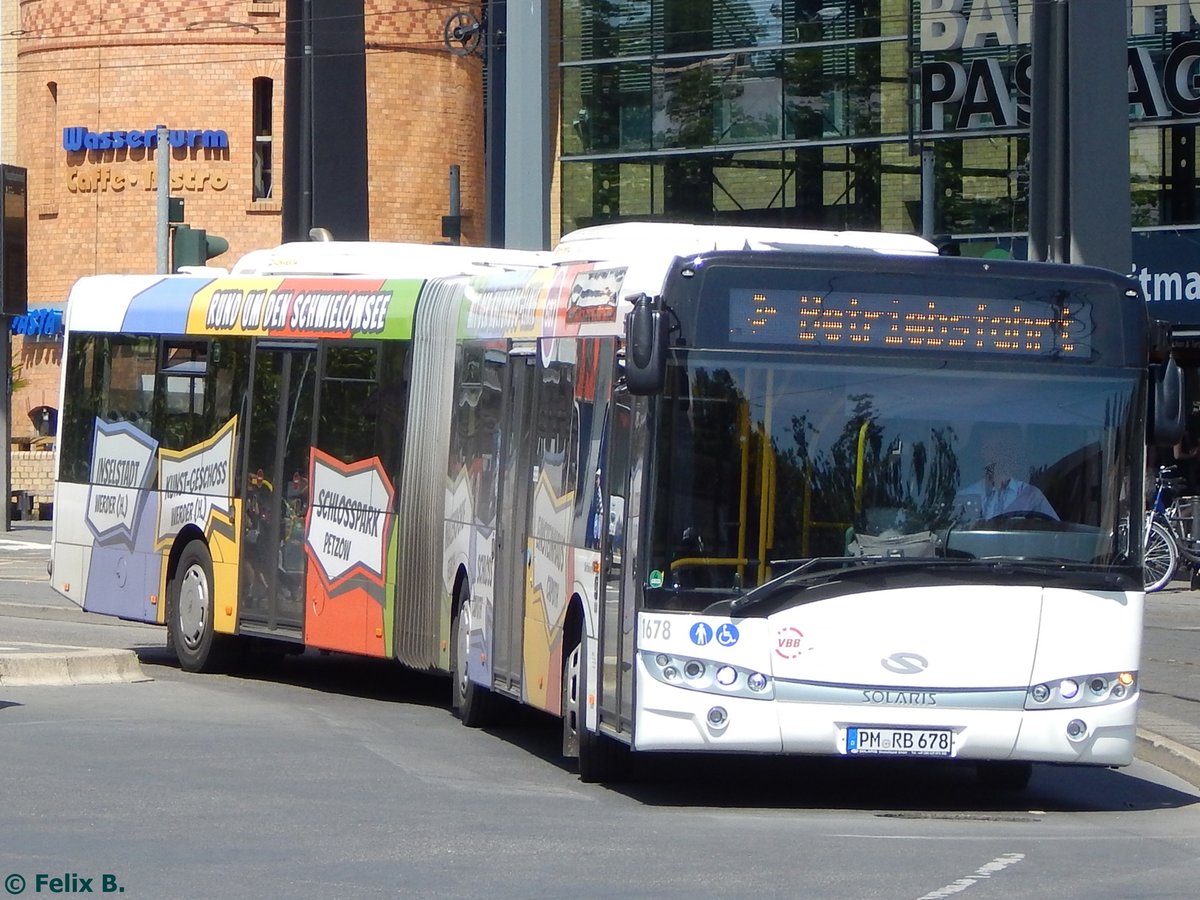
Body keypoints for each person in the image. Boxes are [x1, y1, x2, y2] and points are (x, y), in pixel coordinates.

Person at [954, 426, 1058, 521]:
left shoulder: (1032, 496)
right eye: (993, 448)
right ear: (983, 452)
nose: (1000, 454)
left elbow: (1054, 533)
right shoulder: (965, 496)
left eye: (1006, 447)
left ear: (1016, 452)